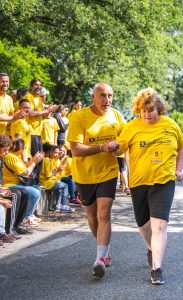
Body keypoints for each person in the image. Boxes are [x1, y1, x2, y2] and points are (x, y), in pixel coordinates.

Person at [113, 87, 183, 285]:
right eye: (143, 110)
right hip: (139, 182)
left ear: (159, 109)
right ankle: (150, 247)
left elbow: (181, 146)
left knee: (160, 226)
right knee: (144, 225)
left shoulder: (170, 125)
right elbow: (118, 149)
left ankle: (157, 268)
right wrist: (112, 148)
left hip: (164, 181)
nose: (147, 114)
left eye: (151, 110)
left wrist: (179, 169)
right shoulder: (131, 127)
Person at [67, 82, 126, 278]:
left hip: (108, 172)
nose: (106, 100)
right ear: (93, 97)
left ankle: (99, 258)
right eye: (102, 95)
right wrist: (102, 147)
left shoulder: (117, 116)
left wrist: (118, 148)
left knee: (104, 213)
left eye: (109, 95)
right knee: (92, 217)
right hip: (84, 175)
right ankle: (104, 247)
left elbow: (124, 144)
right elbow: (75, 149)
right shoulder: (79, 116)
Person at [2, 138, 44, 226]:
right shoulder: (11, 156)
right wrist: (34, 162)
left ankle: (28, 215)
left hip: (15, 184)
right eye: (23, 148)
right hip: (10, 184)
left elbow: (25, 168)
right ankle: (25, 217)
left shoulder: (16, 157)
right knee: (34, 193)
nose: (24, 150)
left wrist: (32, 160)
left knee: (35, 188)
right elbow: (26, 173)